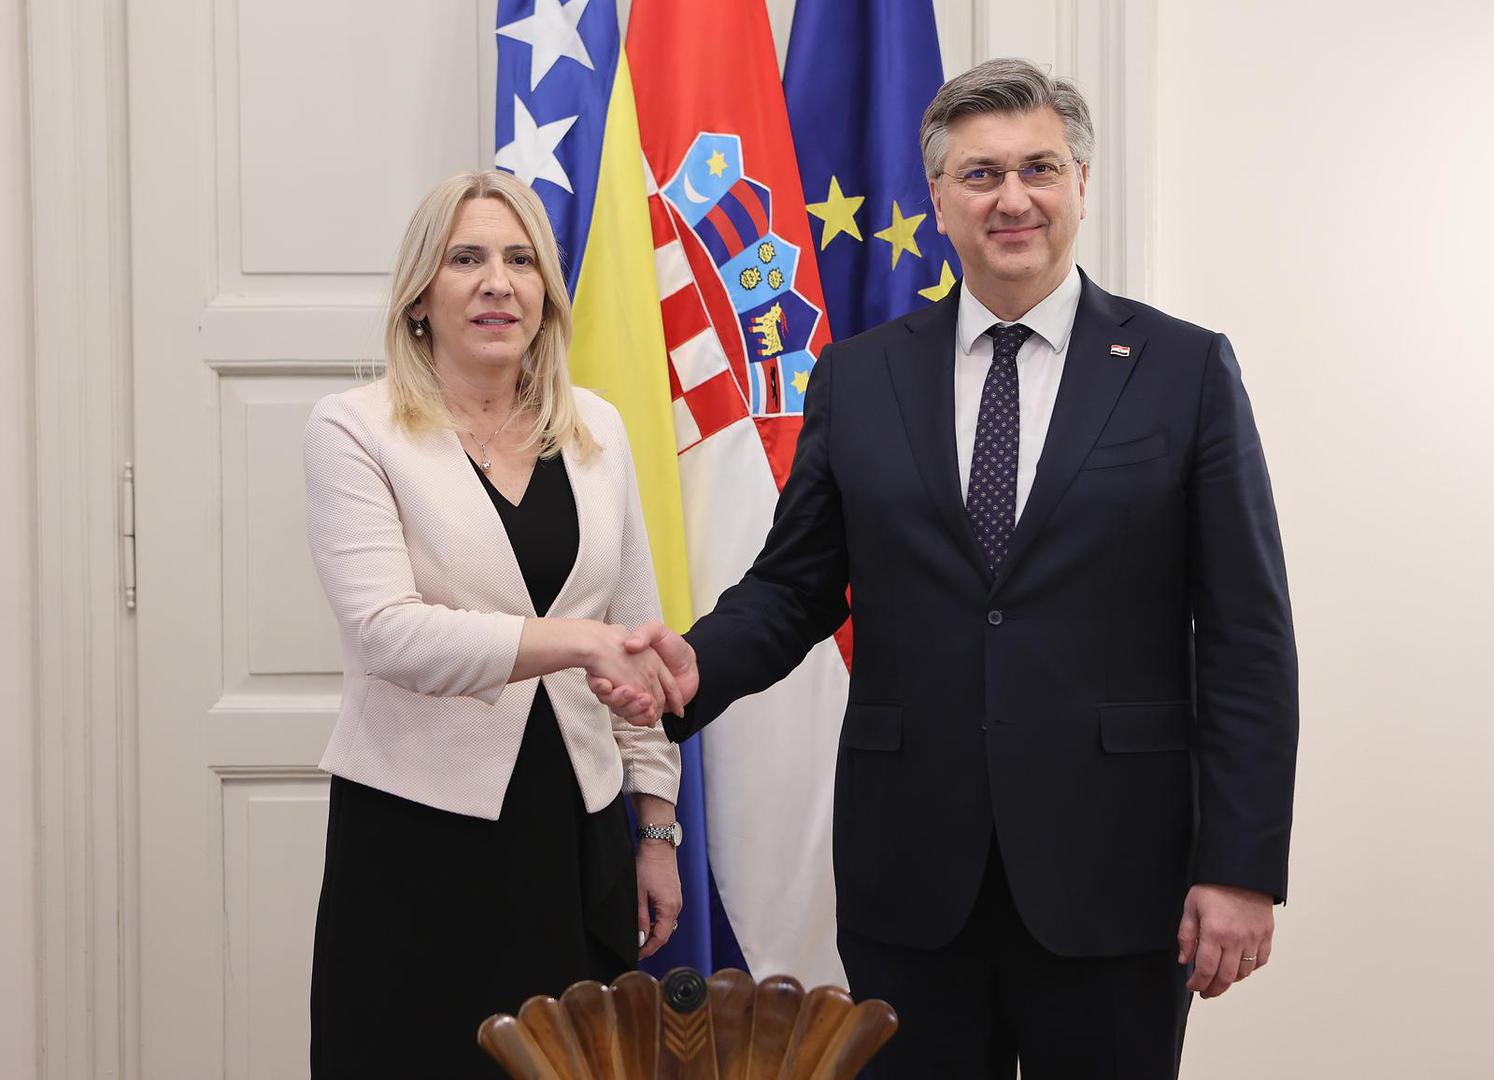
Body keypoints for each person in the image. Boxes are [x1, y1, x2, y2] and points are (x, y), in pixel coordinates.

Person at [594, 59, 1298, 1078]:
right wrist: (695, 665)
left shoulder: (1183, 371)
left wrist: (1240, 866)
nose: (1013, 199)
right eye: (980, 175)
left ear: (1081, 183)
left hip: (1117, 876)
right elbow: (795, 586)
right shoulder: (860, 374)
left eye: (1038, 169)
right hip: (912, 877)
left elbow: (1247, 640)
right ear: (937, 198)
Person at [303, 169, 686, 1079]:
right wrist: (577, 642)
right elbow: (388, 634)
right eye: (466, 259)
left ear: (546, 292)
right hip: (417, 836)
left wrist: (656, 827)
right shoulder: (354, 428)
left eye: (521, 260)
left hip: (578, 835)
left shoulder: (597, 429)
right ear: (419, 296)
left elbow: (636, 635)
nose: (497, 283)